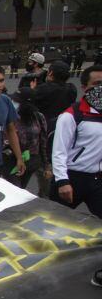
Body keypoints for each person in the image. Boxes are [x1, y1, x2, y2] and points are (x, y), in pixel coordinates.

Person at [51, 65, 102, 218]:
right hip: (71, 179)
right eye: (97, 84)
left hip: (97, 180)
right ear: (84, 87)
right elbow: (59, 151)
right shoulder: (71, 115)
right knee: (56, 224)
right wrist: (62, 181)